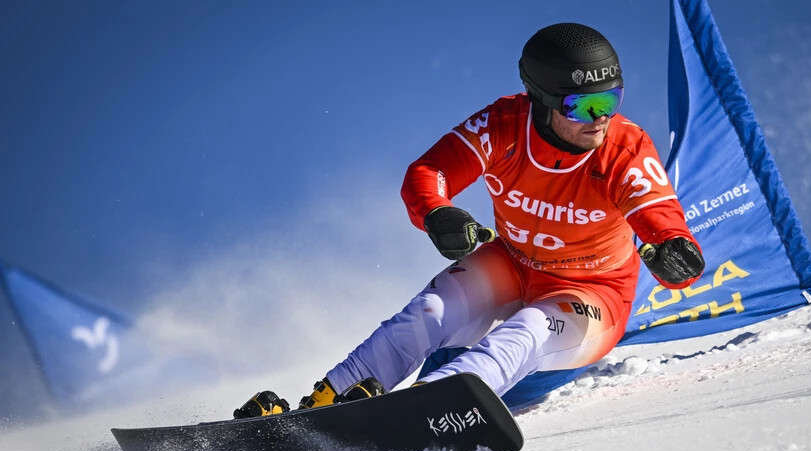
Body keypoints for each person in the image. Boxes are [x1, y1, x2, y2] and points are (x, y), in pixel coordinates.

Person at [234, 22, 705, 418]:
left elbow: (659, 214)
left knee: (526, 333)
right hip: (514, 263)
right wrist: (437, 213)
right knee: (431, 312)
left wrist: (673, 250)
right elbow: (429, 173)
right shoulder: (503, 127)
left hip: (592, 294)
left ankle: (424, 412)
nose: (599, 118)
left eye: (611, 100)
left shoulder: (623, 149)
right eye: (581, 105)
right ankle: (323, 406)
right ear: (540, 99)